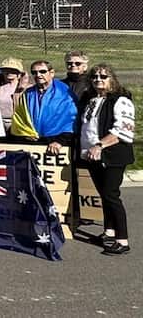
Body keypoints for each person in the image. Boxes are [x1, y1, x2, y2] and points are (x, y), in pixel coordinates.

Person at [72, 64, 134, 255]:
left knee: (111, 195)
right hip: (91, 155)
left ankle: (122, 240)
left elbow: (122, 130)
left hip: (112, 155)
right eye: (95, 77)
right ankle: (109, 231)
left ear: (112, 79)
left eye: (103, 76)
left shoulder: (120, 100)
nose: (98, 79)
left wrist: (100, 145)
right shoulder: (90, 99)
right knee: (103, 195)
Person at [18, 60, 78, 147]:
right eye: (34, 72)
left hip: (58, 141)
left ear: (52, 73)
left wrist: (61, 141)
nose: (38, 75)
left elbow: (71, 119)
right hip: (32, 140)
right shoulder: (28, 93)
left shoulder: (64, 92)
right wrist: (25, 133)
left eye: (42, 71)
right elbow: (21, 117)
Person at [0, 57, 29, 132]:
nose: (9, 72)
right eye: (6, 70)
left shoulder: (27, 89)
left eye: (13, 70)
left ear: (19, 73)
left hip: (19, 125)